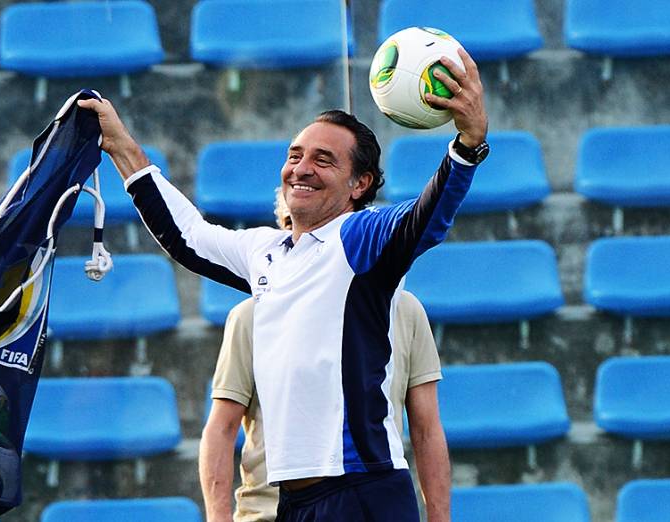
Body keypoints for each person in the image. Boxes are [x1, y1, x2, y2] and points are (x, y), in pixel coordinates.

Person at [79, 47, 487, 521]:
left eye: (323, 159)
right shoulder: (265, 251)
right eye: (295, 155)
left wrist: (467, 147)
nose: (302, 168)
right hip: (291, 500)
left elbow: (426, 218)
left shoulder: (358, 237)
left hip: (363, 490)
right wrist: (121, 146)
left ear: (360, 184)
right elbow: (186, 236)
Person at [201, 191, 450, 522]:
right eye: (293, 232)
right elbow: (222, 427)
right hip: (268, 512)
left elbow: (426, 428)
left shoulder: (406, 311)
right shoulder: (251, 316)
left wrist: (439, 516)